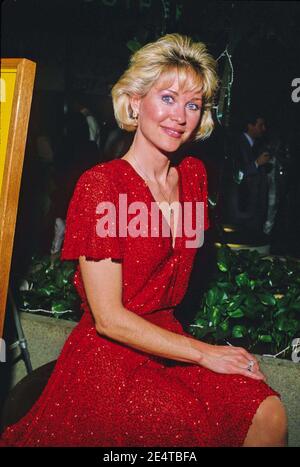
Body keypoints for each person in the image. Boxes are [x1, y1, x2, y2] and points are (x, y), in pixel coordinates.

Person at [0, 34, 287, 447]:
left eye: (192, 104)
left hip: (170, 341)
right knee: (184, 425)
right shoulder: (101, 186)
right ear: (135, 102)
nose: (180, 116)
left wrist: (198, 351)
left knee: (268, 412)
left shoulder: (193, 177)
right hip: (110, 355)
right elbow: (109, 318)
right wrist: (206, 352)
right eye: (167, 98)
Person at [227, 112, 272, 235]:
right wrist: (256, 163)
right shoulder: (235, 143)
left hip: (255, 208)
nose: (264, 129)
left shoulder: (259, 145)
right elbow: (234, 174)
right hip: (242, 206)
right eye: (260, 125)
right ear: (250, 126)